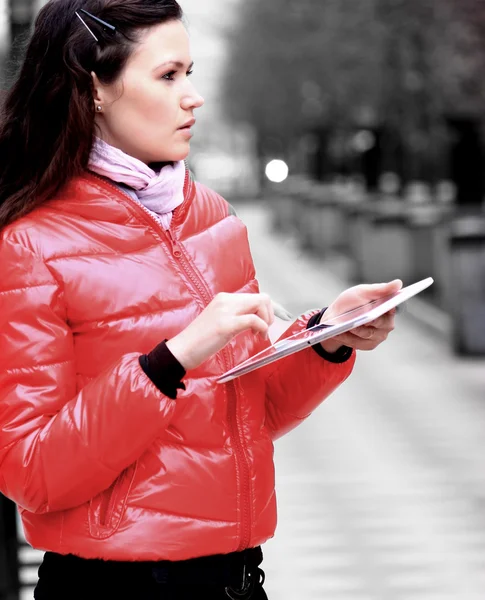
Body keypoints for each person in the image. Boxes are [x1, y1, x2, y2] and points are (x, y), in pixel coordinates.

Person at [0, 1, 401, 598]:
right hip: (119, 588)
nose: (193, 97)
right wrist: (169, 362)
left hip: (235, 578)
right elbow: (31, 472)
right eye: (168, 76)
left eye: (190, 73)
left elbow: (250, 411)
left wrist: (327, 341)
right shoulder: (30, 246)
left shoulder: (210, 218)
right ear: (94, 91)